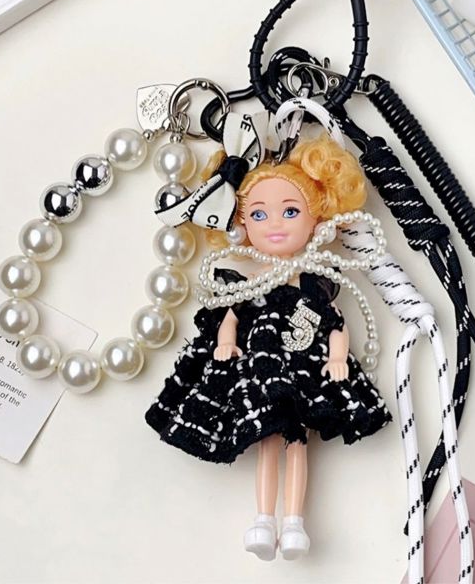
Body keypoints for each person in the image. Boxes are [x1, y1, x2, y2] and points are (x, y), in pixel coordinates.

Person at [145, 133, 391, 560]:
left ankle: (293, 522)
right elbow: (231, 315)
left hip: (304, 366)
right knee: (268, 440)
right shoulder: (251, 281)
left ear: (318, 216)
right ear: (241, 224)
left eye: (290, 211)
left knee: (297, 441)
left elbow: (335, 323)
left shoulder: (315, 284)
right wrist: (225, 342)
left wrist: (337, 356)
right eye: (259, 214)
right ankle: (263, 520)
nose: (275, 224)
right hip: (260, 366)